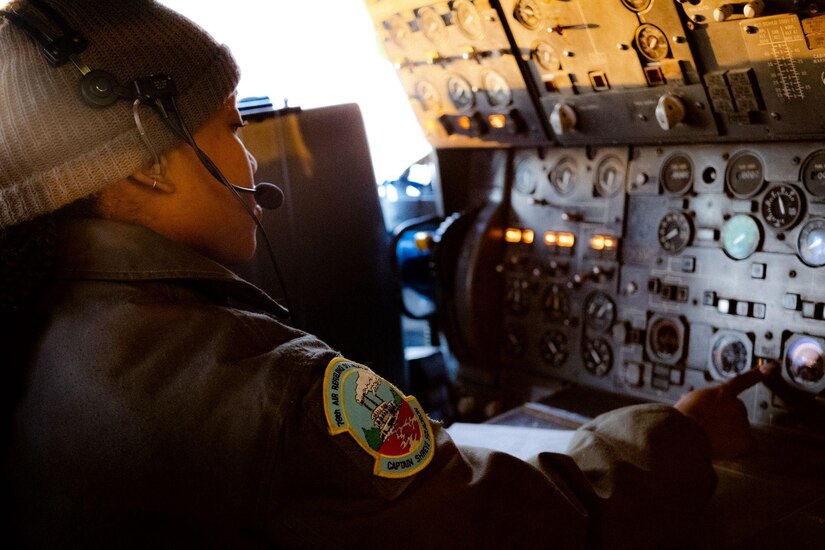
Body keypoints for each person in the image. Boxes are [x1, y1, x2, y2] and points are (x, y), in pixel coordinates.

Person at [0, 0, 771, 547]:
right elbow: (526, 529)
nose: (249, 158)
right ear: (151, 166)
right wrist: (680, 437)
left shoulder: (35, 325)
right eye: (231, 128)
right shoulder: (273, 393)